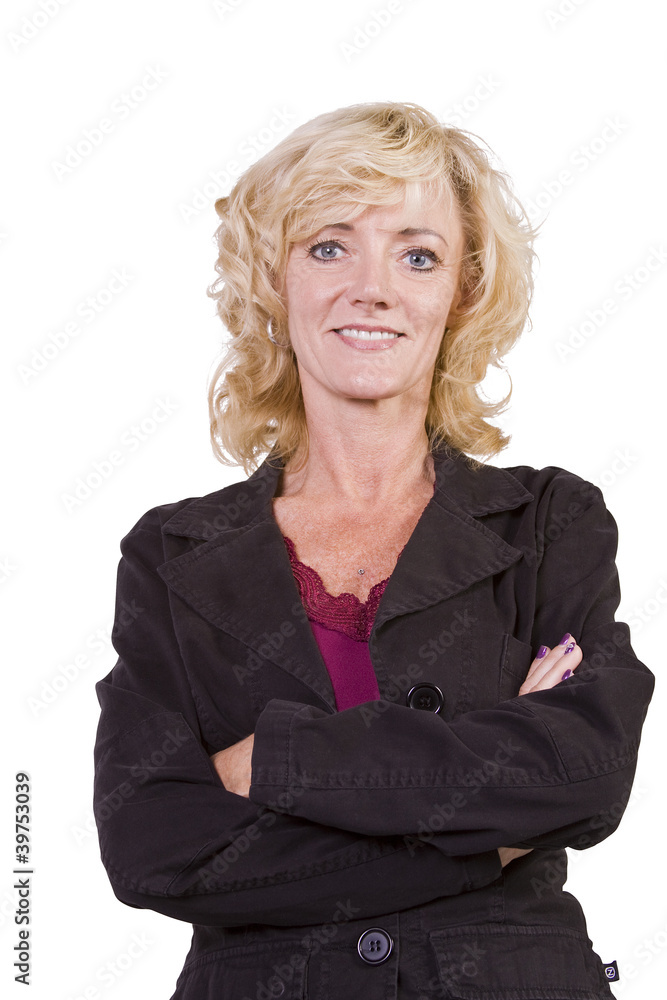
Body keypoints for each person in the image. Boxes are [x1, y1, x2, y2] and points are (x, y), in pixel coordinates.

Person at [93, 101, 654, 1000]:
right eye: (328, 247)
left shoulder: (548, 522)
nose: (373, 288)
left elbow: (583, 771)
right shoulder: (173, 551)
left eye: (416, 255)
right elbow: (153, 848)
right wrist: (486, 842)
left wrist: (275, 762)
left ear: (461, 290)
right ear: (272, 280)